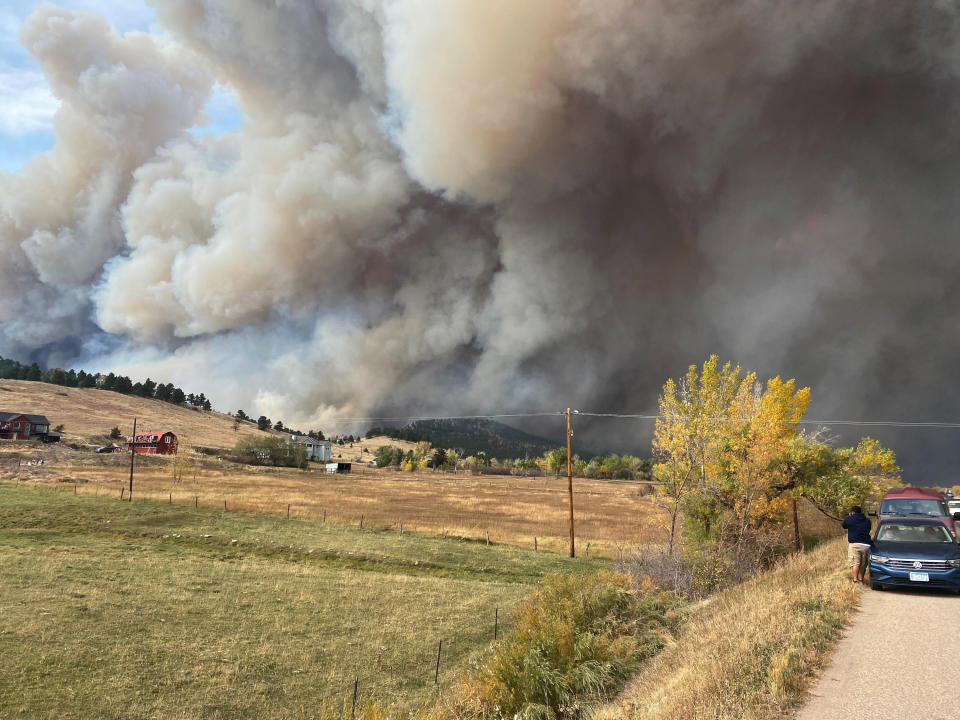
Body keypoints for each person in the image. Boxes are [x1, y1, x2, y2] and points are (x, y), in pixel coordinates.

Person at [842, 505, 872, 583]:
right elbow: (869, 528)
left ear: (852, 512)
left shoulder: (850, 519)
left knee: (856, 563)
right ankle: (861, 579)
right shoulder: (867, 520)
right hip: (866, 545)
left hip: (855, 545)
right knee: (863, 564)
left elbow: (844, 525)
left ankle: (855, 580)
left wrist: (849, 517)